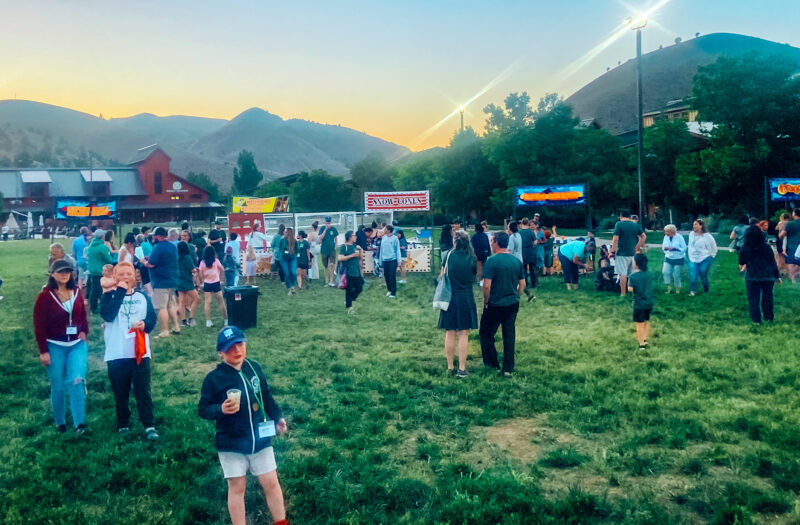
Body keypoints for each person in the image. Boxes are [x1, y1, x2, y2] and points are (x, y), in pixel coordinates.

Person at [199, 326, 289, 525]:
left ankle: (281, 522)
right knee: (237, 487)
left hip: (260, 438)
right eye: (229, 348)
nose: (236, 350)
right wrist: (221, 409)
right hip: (231, 442)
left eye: (240, 344)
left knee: (271, 482)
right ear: (220, 352)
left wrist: (277, 418)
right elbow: (203, 409)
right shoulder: (213, 379)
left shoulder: (254, 368)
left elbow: (266, 396)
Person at [100, 262, 159, 440]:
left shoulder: (142, 297)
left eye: (129, 274)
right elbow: (108, 315)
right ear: (114, 277)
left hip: (139, 352)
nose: (125, 277)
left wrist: (145, 325)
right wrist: (119, 291)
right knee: (120, 391)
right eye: (121, 274)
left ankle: (149, 425)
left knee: (143, 390)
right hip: (117, 353)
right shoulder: (109, 296)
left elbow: (152, 318)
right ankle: (123, 423)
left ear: (135, 276)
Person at [33, 259, 89, 434]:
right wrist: (43, 351)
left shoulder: (77, 291)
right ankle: (60, 422)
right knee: (57, 384)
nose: (64, 274)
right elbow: (39, 325)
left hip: (76, 345)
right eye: (60, 271)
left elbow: (82, 315)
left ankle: (79, 424)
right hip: (54, 345)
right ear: (52, 274)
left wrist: (84, 331)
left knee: (76, 380)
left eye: (67, 271)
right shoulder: (45, 296)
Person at [479, 232, 525, 376]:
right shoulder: (516, 261)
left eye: (492, 241)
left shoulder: (491, 261)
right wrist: (516, 295)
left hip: (495, 304)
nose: (491, 244)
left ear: (497, 243)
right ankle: (508, 368)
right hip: (512, 303)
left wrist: (486, 301)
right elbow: (522, 284)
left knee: (486, 334)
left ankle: (492, 364)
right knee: (509, 335)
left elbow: (486, 286)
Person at [438, 231, 478, 377]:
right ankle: (461, 368)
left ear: (454, 241)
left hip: (449, 297)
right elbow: (474, 275)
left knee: (449, 332)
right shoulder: (472, 257)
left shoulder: (448, 255)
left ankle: (450, 367)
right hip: (466, 297)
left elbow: (442, 274)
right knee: (463, 333)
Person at [739, 225, 781, 323]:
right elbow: (772, 262)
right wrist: (777, 276)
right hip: (768, 276)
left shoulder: (745, 248)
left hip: (752, 276)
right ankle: (769, 317)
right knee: (768, 298)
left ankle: (756, 319)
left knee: (753, 299)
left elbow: (741, 261)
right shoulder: (766, 247)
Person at [146, 226, 181, 337]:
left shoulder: (158, 247)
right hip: (172, 279)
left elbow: (152, 264)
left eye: (154, 235)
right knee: (170, 304)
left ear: (159, 236)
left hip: (160, 281)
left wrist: (144, 262)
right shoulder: (173, 246)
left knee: (162, 307)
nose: (153, 237)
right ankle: (176, 327)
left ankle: (165, 331)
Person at [611, 211, 646, 297]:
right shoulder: (636, 225)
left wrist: (612, 250)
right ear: (629, 217)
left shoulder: (619, 224)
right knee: (633, 273)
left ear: (620, 216)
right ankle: (633, 291)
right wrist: (637, 247)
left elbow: (615, 239)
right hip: (633, 253)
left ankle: (623, 293)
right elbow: (644, 236)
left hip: (622, 253)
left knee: (623, 273)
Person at [627, 253, 654, 350]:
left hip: (639, 304)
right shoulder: (648, 275)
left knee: (639, 323)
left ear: (636, 264)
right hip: (649, 302)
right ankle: (646, 338)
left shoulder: (633, 276)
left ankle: (641, 343)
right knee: (646, 321)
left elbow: (630, 289)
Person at [687, 219, 718, 296]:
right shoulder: (691, 234)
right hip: (693, 258)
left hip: (705, 257)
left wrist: (712, 255)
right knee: (693, 274)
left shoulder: (707, 236)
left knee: (703, 272)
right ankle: (693, 291)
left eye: (696, 224)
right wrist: (690, 255)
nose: (694, 226)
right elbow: (690, 246)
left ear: (701, 226)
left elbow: (714, 246)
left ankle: (706, 290)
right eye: (693, 224)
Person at [200, 245, 229, 327]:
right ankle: (226, 320)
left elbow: (200, 273)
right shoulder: (216, 261)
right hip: (216, 283)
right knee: (221, 301)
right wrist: (221, 279)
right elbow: (222, 269)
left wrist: (202, 281)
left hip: (207, 284)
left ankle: (208, 322)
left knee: (207, 302)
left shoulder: (202, 262)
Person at [87, 229, 113, 312]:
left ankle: (93, 307)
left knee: (94, 290)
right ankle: (104, 307)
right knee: (103, 290)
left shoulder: (90, 246)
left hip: (92, 272)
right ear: (102, 236)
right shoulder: (103, 247)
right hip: (101, 271)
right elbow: (109, 260)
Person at [339, 230, 364, 313]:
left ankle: (349, 300)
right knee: (349, 289)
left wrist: (360, 250)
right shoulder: (344, 247)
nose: (356, 237)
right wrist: (352, 255)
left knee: (359, 288)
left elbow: (360, 257)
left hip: (356, 270)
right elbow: (340, 258)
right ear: (349, 237)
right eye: (354, 235)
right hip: (349, 271)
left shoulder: (355, 246)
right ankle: (349, 307)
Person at [177, 241, 199, 327]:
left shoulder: (177, 257)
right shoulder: (187, 257)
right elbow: (192, 269)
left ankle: (183, 321)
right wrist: (196, 270)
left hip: (179, 280)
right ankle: (191, 318)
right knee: (196, 299)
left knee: (181, 301)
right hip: (187, 280)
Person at [661, 224, 686, 293]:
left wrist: (675, 249)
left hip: (678, 258)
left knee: (676, 274)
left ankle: (677, 288)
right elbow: (663, 247)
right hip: (668, 257)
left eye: (667, 231)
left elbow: (684, 248)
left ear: (672, 231)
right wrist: (666, 249)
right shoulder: (666, 237)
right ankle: (668, 287)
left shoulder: (679, 237)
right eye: (665, 231)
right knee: (665, 272)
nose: (665, 233)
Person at [379, 224, 401, 298]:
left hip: (393, 260)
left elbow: (397, 249)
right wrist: (380, 260)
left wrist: (399, 260)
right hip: (385, 260)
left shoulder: (395, 238)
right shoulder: (383, 238)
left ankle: (393, 293)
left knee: (392, 276)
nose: (383, 230)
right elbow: (381, 250)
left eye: (385, 229)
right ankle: (389, 290)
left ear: (388, 230)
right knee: (386, 275)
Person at [779, 208, 800, 282]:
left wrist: (780, 235)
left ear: (794, 214)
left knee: (790, 262)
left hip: (791, 245)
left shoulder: (790, 224)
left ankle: (793, 280)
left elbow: (782, 235)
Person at [518, 219, 536, 299]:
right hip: (530, 250)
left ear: (522, 224)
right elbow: (535, 242)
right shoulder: (531, 232)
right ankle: (534, 283)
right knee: (532, 267)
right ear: (528, 224)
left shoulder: (519, 232)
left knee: (524, 268)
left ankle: (525, 283)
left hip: (522, 250)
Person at [319, 217, 339, 287]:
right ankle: (326, 281)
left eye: (329, 223)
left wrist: (336, 245)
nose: (328, 224)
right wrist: (325, 230)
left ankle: (331, 281)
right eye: (327, 223)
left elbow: (336, 238)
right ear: (325, 223)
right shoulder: (322, 228)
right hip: (324, 249)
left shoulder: (333, 229)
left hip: (331, 250)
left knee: (332, 264)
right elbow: (320, 238)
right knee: (325, 266)